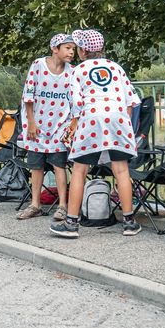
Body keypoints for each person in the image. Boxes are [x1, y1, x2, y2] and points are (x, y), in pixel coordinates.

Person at [50, 29, 142, 238]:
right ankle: (129, 222)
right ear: (101, 49)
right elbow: (131, 101)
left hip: (91, 119)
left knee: (80, 170)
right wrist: (124, 124)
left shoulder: (78, 71)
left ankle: (72, 224)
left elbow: (76, 104)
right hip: (118, 119)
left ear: (82, 50)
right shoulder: (116, 68)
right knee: (121, 171)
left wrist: (73, 128)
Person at [15, 33, 76, 221]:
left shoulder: (72, 71)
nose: (72, 52)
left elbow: (74, 100)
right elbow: (29, 94)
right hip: (38, 124)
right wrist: (31, 122)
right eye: (68, 48)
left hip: (60, 125)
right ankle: (35, 204)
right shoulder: (38, 66)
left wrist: (71, 126)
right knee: (36, 166)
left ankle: (63, 205)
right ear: (55, 48)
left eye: (73, 49)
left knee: (59, 164)